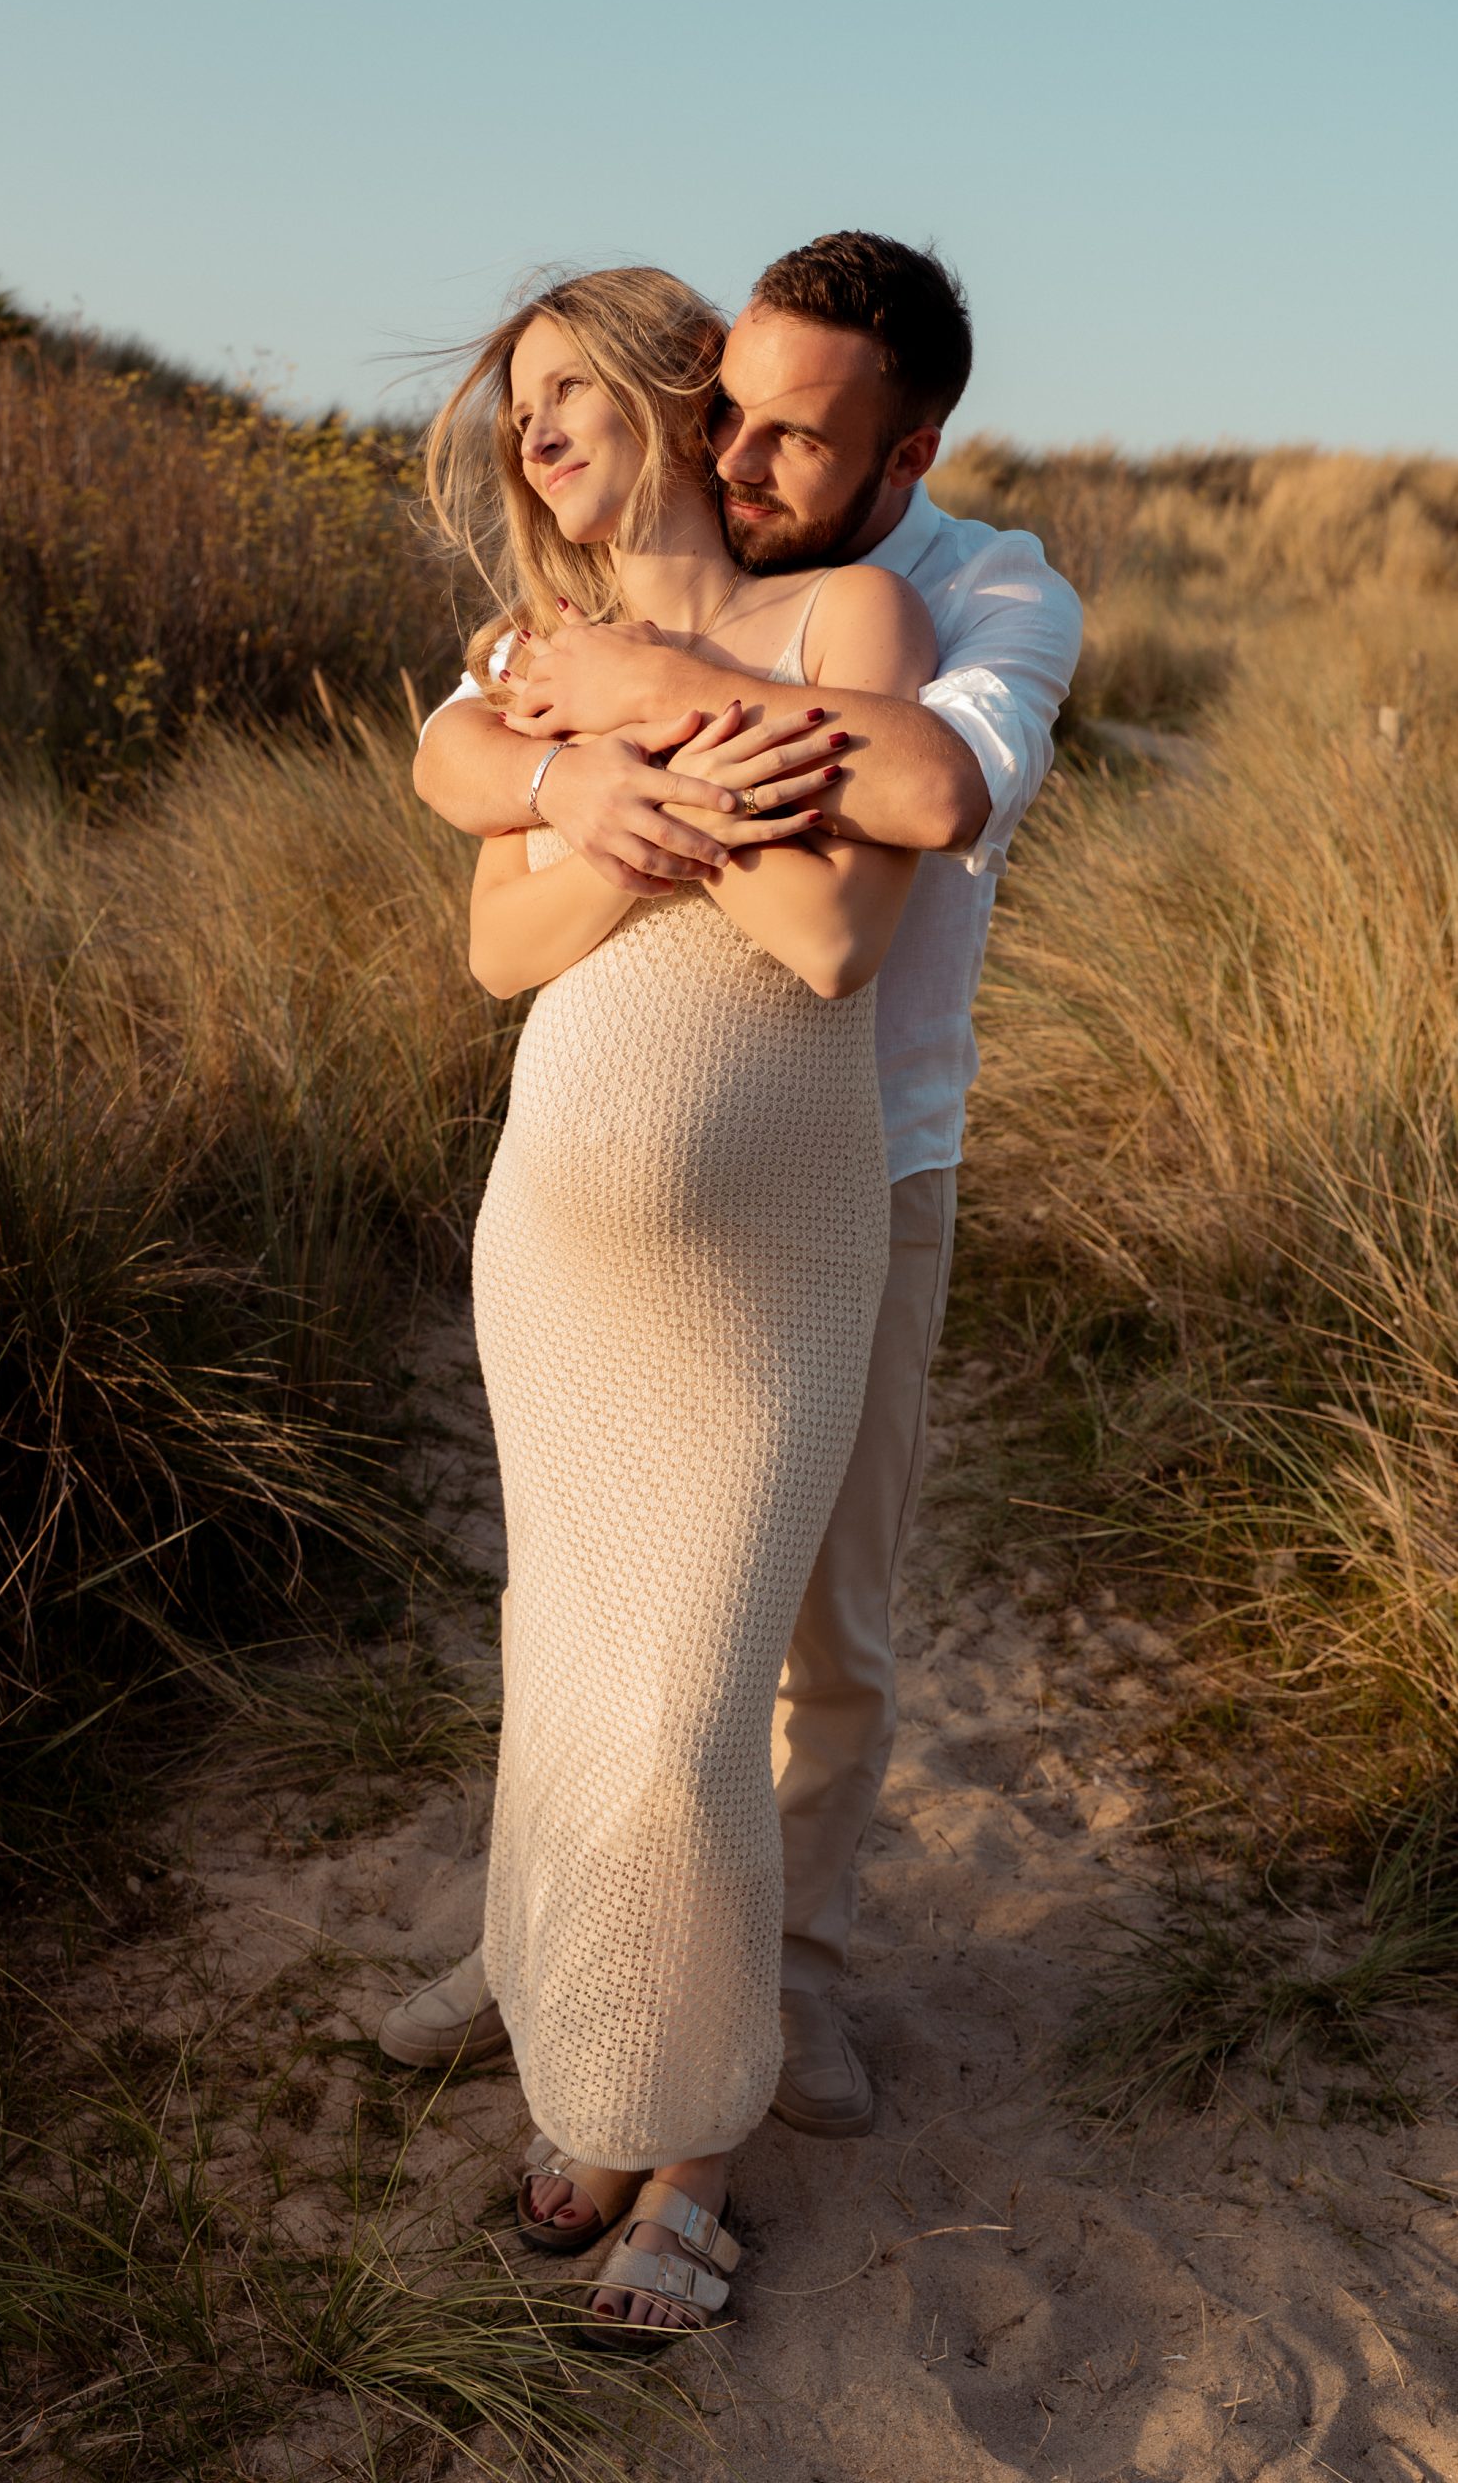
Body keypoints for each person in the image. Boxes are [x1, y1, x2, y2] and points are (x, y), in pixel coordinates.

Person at [387, 232, 1084, 2319]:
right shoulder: (575, 621)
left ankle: (776, 1992)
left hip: (862, 1171)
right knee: (590, 1627)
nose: (753, 451)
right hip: (571, 1224)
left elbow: (919, 807)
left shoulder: (971, 590)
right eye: (739, 410)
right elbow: (472, 817)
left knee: (800, 1639)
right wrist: (565, 768)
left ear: (910, 444)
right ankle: (566, 1967)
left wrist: (638, 707)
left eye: (798, 428)